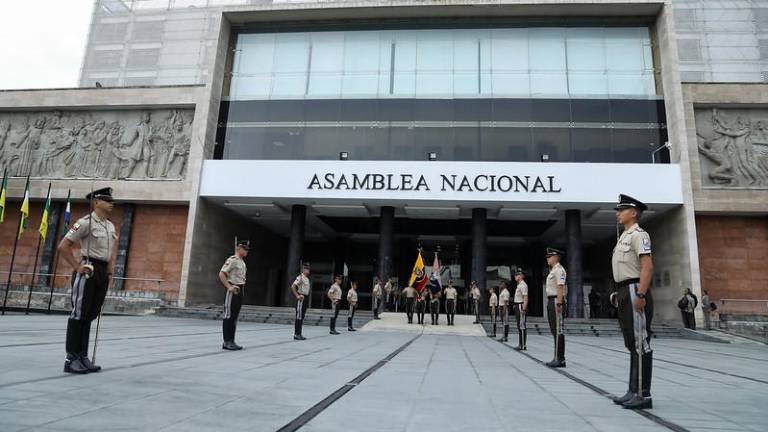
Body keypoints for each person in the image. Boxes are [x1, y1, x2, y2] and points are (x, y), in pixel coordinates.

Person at [58, 187, 117, 374]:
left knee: (91, 314)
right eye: (107, 200)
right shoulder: (84, 223)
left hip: (101, 272)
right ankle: (71, 358)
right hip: (88, 269)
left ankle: (82, 356)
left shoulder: (110, 226)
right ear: (96, 202)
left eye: (111, 200)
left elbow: (111, 253)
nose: (111, 203)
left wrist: (109, 273)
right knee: (79, 314)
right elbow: (63, 246)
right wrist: (77, 267)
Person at [610, 194, 655, 410]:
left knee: (640, 342)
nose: (618, 213)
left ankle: (643, 394)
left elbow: (647, 266)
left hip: (635, 289)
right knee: (631, 341)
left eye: (622, 209)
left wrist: (641, 294)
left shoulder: (639, 235)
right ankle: (632, 389)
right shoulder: (624, 236)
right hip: (625, 290)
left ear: (634, 212)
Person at [219, 240, 249, 350]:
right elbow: (222, 274)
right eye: (245, 249)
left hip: (240, 288)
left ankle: (232, 340)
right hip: (233, 288)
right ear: (239, 248)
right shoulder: (232, 260)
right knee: (229, 315)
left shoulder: (241, 261)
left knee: (235, 317)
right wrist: (229, 287)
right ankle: (226, 341)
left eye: (247, 249)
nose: (246, 251)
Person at [545, 248, 567, 368]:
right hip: (551, 300)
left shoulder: (559, 270)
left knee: (558, 330)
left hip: (555, 301)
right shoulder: (553, 270)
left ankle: (560, 359)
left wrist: (559, 303)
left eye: (549, 256)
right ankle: (556, 356)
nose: (548, 259)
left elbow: (560, 286)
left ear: (556, 257)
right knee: (555, 330)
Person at [291, 263, 311, 340]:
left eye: (308, 269)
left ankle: (299, 333)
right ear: (303, 269)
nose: (308, 270)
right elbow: (293, 286)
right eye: (306, 269)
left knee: (301, 316)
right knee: (299, 316)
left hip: (305, 298)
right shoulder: (300, 277)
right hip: (301, 297)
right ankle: (296, 334)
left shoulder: (306, 278)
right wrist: (297, 296)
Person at [513, 269, 529, 351]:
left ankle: (523, 345)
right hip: (517, 305)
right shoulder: (519, 285)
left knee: (522, 325)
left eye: (517, 274)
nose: (515, 276)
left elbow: (525, 297)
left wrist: (524, 308)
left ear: (521, 276)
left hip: (520, 306)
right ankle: (520, 343)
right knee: (519, 325)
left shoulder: (523, 285)